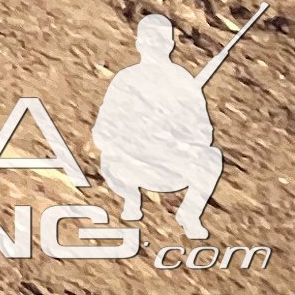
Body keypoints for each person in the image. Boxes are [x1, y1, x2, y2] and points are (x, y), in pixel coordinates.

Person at [93, 16, 229, 238]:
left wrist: (176, 137)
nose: (154, 44)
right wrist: (135, 135)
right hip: (131, 164)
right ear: (139, 43)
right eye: (149, 39)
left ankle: (190, 214)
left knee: (211, 158)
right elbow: (103, 130)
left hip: (170, 166)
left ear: (170, 44)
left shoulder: (182, 80)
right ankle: (131, 198)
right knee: (110, 158)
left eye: (160, 39)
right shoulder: (126, 79)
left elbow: (203, 132)